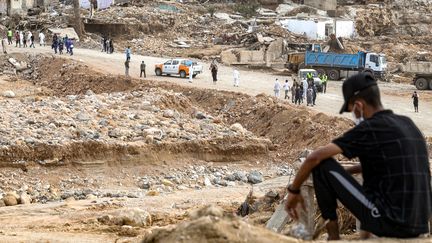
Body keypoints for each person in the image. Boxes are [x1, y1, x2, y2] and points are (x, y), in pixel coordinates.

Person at [285, 73, 431, 240]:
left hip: (391, 222)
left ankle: (333, 237)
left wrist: (293, 190)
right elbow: (386, 164)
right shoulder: (408, 123)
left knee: (321, 166)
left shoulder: (370, 128)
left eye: (351, 109)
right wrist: (340, 176)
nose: (353, 115)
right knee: (350, 171)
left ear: (359, 106)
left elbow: (314, 158)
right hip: (419, 222)